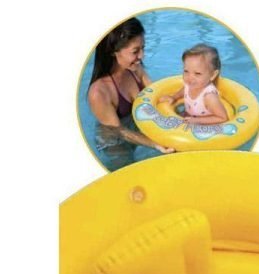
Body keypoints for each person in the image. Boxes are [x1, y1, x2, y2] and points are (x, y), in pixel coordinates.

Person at [87, 17, 173, 169]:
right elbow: (119, 130)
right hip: (115, 141)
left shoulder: (135, 68)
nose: (141, 56)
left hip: (136, 125)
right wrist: (155, 143)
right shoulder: (99, 92)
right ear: (114, 51)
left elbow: (155, 95)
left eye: (143, 48)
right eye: (135, 51)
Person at [161, 44, 229, 125]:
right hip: (189, 116)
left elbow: (223, 118)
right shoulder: (189, 85)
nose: (190, 78)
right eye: (186, 71)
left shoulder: (209, 97)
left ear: (213, 75)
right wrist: (173, 97)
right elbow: (184, 90)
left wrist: (197, 120)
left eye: (197, 73)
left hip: (205, 125)